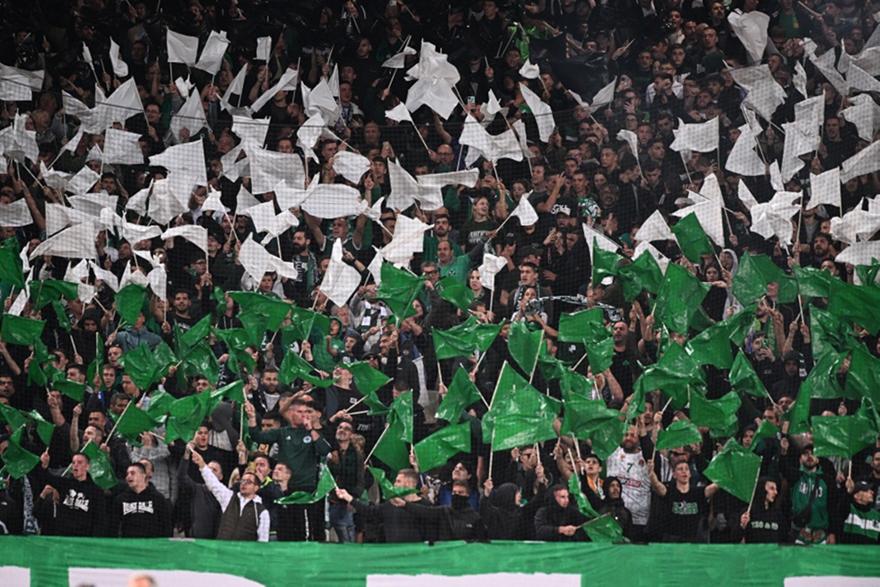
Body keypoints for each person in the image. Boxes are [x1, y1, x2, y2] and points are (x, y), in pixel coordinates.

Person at [190, 447, 269, 542]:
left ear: (256, 487)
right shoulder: (229, 497)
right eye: (242, 481)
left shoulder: (262, 512)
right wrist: (202, 464)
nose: (244, 484)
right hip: (222, 549)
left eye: (248, 482)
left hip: (243, 551)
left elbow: (263, 541)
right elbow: (214, 483)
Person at [334, 469, 433, 543]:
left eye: (398, 481)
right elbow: (368, 512)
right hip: (393, 558)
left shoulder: (427, 507)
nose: (394, 485)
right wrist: (348, 497)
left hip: (416, 558)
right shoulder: (391, 504)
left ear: (410, 484)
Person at [648, 460, 719, 542]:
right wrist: (651, 472)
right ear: (674, 475)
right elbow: (656, 485)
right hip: (672, 540)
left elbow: (717, 485)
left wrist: (728, 468)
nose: (684, 471)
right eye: (680, 469)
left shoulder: (698, 492)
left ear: (690, 474)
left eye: (686, 469)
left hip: (693, 540)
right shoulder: (669, 491)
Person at [113, 462, 172, 537]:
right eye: (127, 474)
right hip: (129, 542)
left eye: (132, 473)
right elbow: (114, 526)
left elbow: (166, 525)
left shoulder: (158, 498)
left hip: (152, 543)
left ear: (143, 475)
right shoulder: (120, 499)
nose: (128, 476)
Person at [733, 477, 787, 543]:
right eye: (772, 488)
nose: (776, 492)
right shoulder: (748, 512)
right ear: (762, 489)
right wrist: (742, 525)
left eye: (776, 489)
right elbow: (735, 539)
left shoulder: (777, 514)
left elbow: (783, 539)